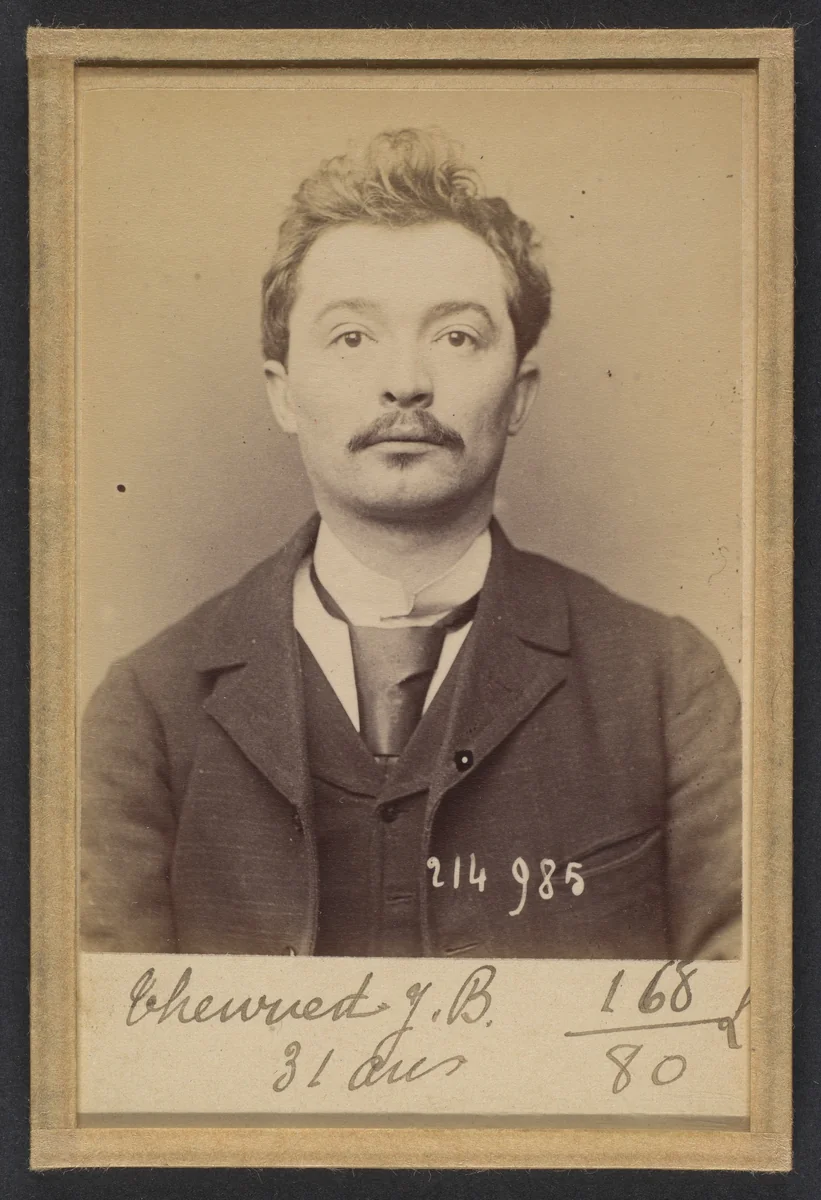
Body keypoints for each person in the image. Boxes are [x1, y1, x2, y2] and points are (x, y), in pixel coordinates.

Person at [80, 128, 741, 960]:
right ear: (283, 395)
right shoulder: (147, 707)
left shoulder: (666, 683)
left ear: (519, 395)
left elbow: (745, 1040)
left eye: (455, 337)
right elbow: (100, 1056)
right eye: (351, 337)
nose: (406, 380)